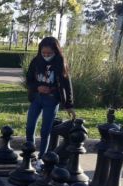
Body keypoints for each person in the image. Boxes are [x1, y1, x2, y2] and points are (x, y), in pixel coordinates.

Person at [25, 36, 76, 170]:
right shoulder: (36, 61)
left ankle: (42, 158)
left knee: (45, 130)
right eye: (44, 53)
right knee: (30, 126)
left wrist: (69, 105)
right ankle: (29, 154)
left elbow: (67, 84)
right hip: (37, 97)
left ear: (56, 51)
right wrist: (37, 87)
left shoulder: (60, 63)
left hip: (52, 99)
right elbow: (29, 80)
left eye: (49, 53)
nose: (46, 55)